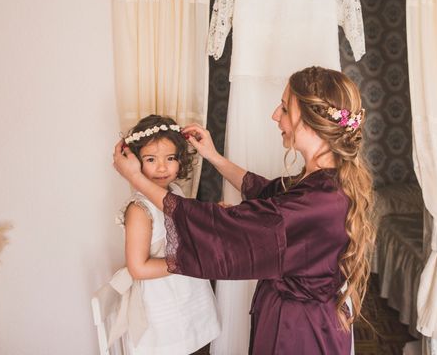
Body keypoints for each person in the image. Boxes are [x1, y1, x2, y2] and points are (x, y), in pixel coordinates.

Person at [112, 67, 375, 354]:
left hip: (296, 332)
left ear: (311, 122)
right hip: (304, 321)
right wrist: (213, 156)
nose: (276, 115)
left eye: (285, 108)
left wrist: (137, 179)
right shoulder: (323, 182)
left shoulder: (317, 201)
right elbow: (267, 193)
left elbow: (224, 230)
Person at [108, 114, 220, 354]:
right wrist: (188, 260)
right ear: (135, 162)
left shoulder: (175, 191)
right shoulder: (139, 210)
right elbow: (138, 268)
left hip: (190, 297)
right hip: (163, 306)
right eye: (150, 159)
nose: (162, 167)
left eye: (170, 158)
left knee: (199, 345)